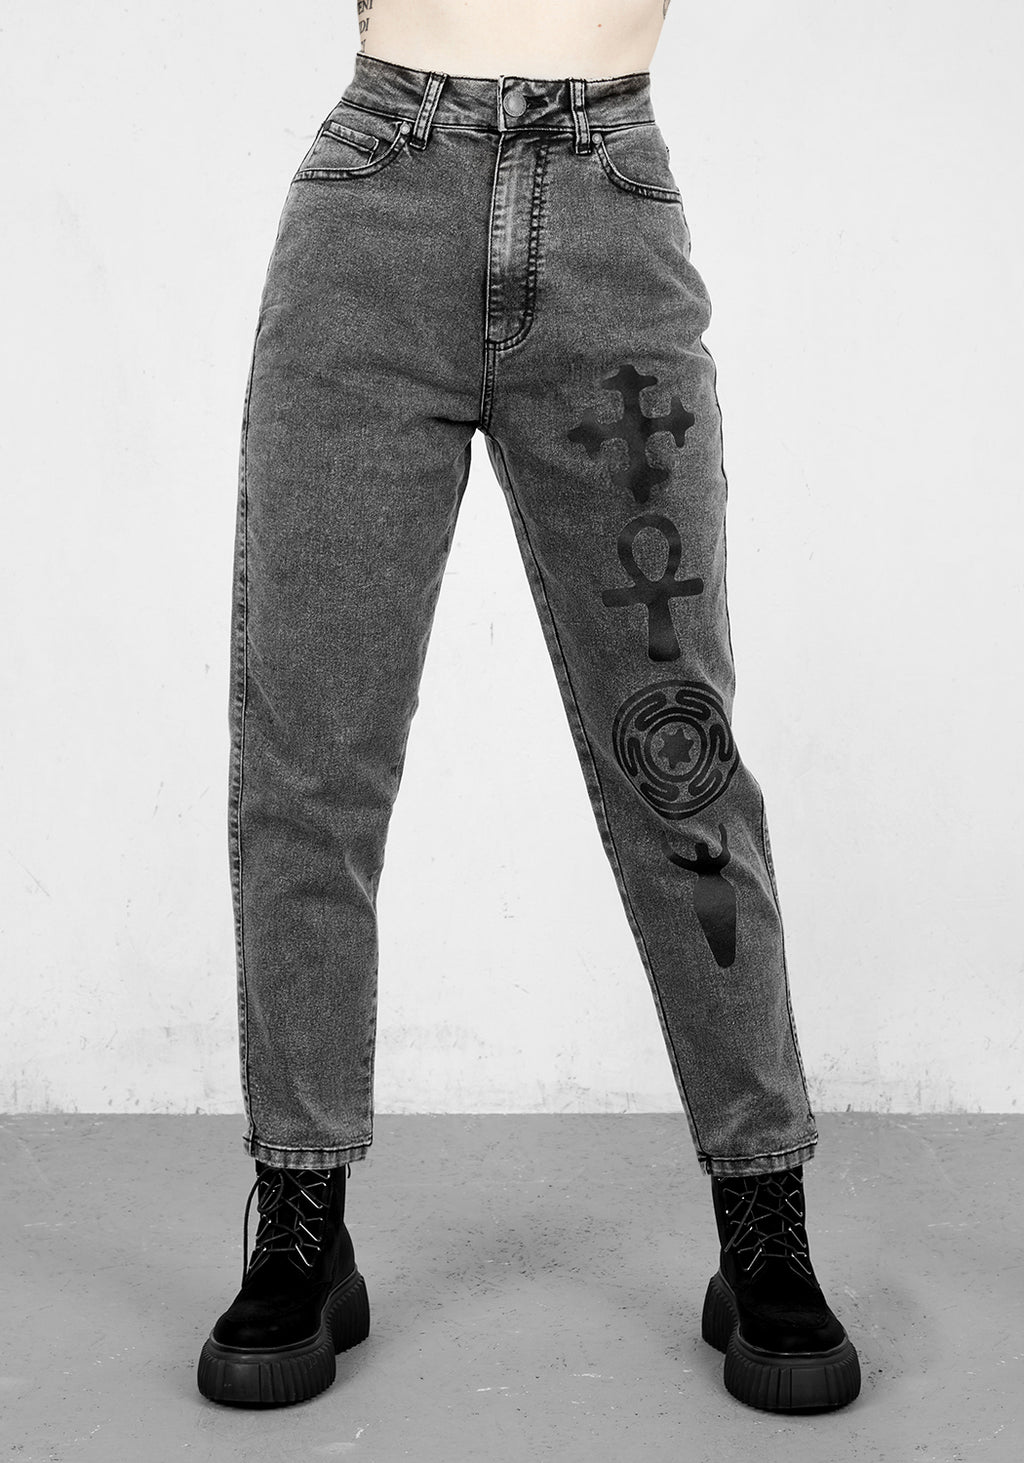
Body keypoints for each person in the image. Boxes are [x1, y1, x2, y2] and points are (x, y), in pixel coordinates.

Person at [196, 0, 861, 1415]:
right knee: (310, 756)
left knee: (678, 761)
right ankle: (302, 1216)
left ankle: (764, 1215)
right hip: (372, 206)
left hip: (610, 206)